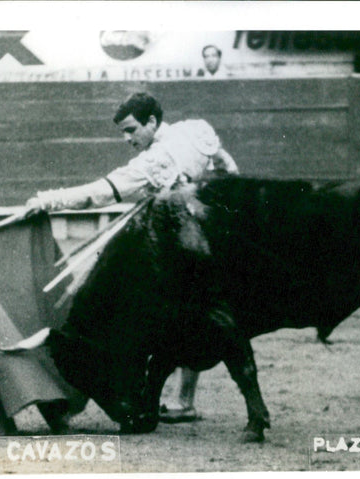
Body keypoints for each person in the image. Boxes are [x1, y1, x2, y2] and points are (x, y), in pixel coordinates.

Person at [25, 91, 238, 425]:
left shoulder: (155, 160)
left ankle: (97, 399)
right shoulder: (193, 130)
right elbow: (226, 164)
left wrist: (48, 200)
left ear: (151, 122)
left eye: (130, 130)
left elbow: (101, 192)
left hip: (174, 251)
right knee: (192, 316)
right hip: (207, 245)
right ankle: (183, 401)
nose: (127, 139)